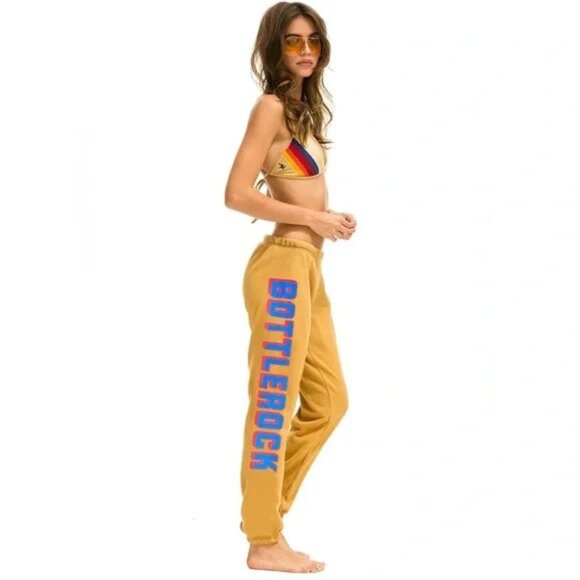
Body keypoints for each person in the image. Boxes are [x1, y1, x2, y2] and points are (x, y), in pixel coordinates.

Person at [224, 2, 357, 573]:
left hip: (308, 267)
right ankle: (263, 538)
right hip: (280, 267)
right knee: (274, 401)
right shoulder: (271, 107)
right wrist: (315, 220)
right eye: (292, 41)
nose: (305, 50)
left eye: (313, 41)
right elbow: (236, 194)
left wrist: (329, 220)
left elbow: (296, 190)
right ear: (274, 48)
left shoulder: (302, 113)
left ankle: (265, 516)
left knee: (329, 402)